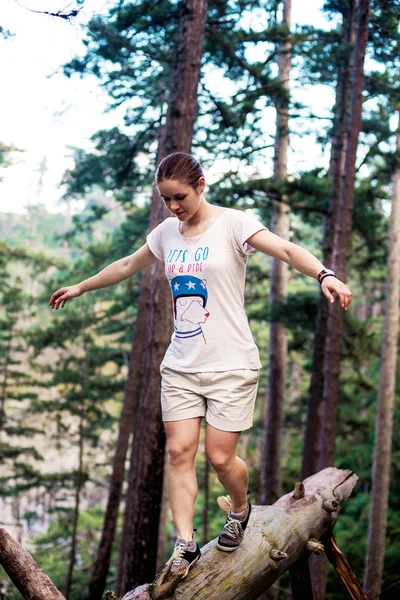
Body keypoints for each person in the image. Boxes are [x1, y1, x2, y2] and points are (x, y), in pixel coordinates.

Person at [49, 152, 352, 580]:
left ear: (201, 185)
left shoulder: (234, 223)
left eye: (180, 197)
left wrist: (324, 274)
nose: (174, 207)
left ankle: (241, 510)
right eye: (166, 199)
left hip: (231, 365)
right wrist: (81, 286)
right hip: (181, 365)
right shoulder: (167, 234)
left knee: (221, 458)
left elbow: (284, 248)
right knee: (178, 452)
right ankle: (185, 545)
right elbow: (126, 265)